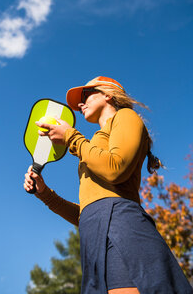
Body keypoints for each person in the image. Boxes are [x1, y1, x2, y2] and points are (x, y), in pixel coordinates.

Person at [24, 76, 192, 294]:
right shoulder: (92, 143)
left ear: (108, 95)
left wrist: (72, 138)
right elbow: (88, 214)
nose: (80, 104)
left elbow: (116, 168)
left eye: (86, 95)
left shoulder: (126, 117)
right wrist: (46, 194)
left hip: (124, 226)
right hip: (94, 235)